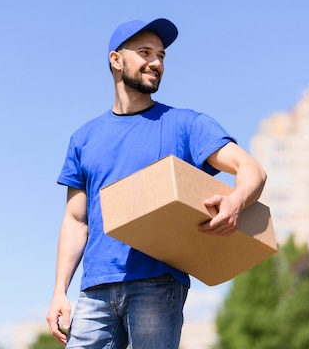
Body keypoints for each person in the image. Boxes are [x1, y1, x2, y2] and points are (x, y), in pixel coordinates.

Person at [45, 18, 267, 348]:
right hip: (95, 288)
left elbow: (251, 169)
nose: (156, 63)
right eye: (145, 52)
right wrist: (59, 291)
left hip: (157, 282)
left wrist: (237, 201)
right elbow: (76, 221)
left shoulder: (185, 124)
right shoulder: (84, 139)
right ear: (116, 60)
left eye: (161, 56)